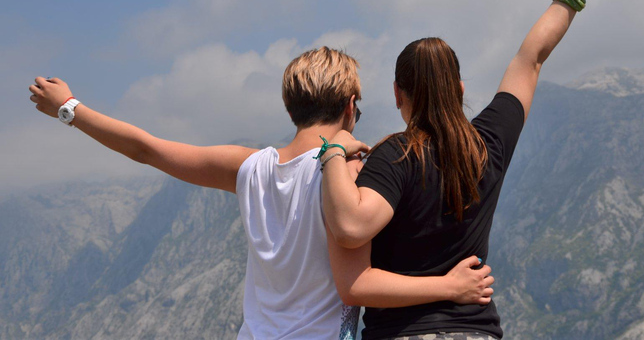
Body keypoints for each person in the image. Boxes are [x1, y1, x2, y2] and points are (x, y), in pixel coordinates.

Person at [28, 47, 494, 339]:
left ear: (291, 105)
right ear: (353, 107)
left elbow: (148, 150)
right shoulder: (355, 172)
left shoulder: (249, 168)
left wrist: (69, 107)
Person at [320, 0, 598, 339]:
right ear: (460, 88)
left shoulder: (393, 158)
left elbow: (351, 228)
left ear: (398, 94)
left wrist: (333, 154)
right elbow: (531, 58)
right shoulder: (489, 143)